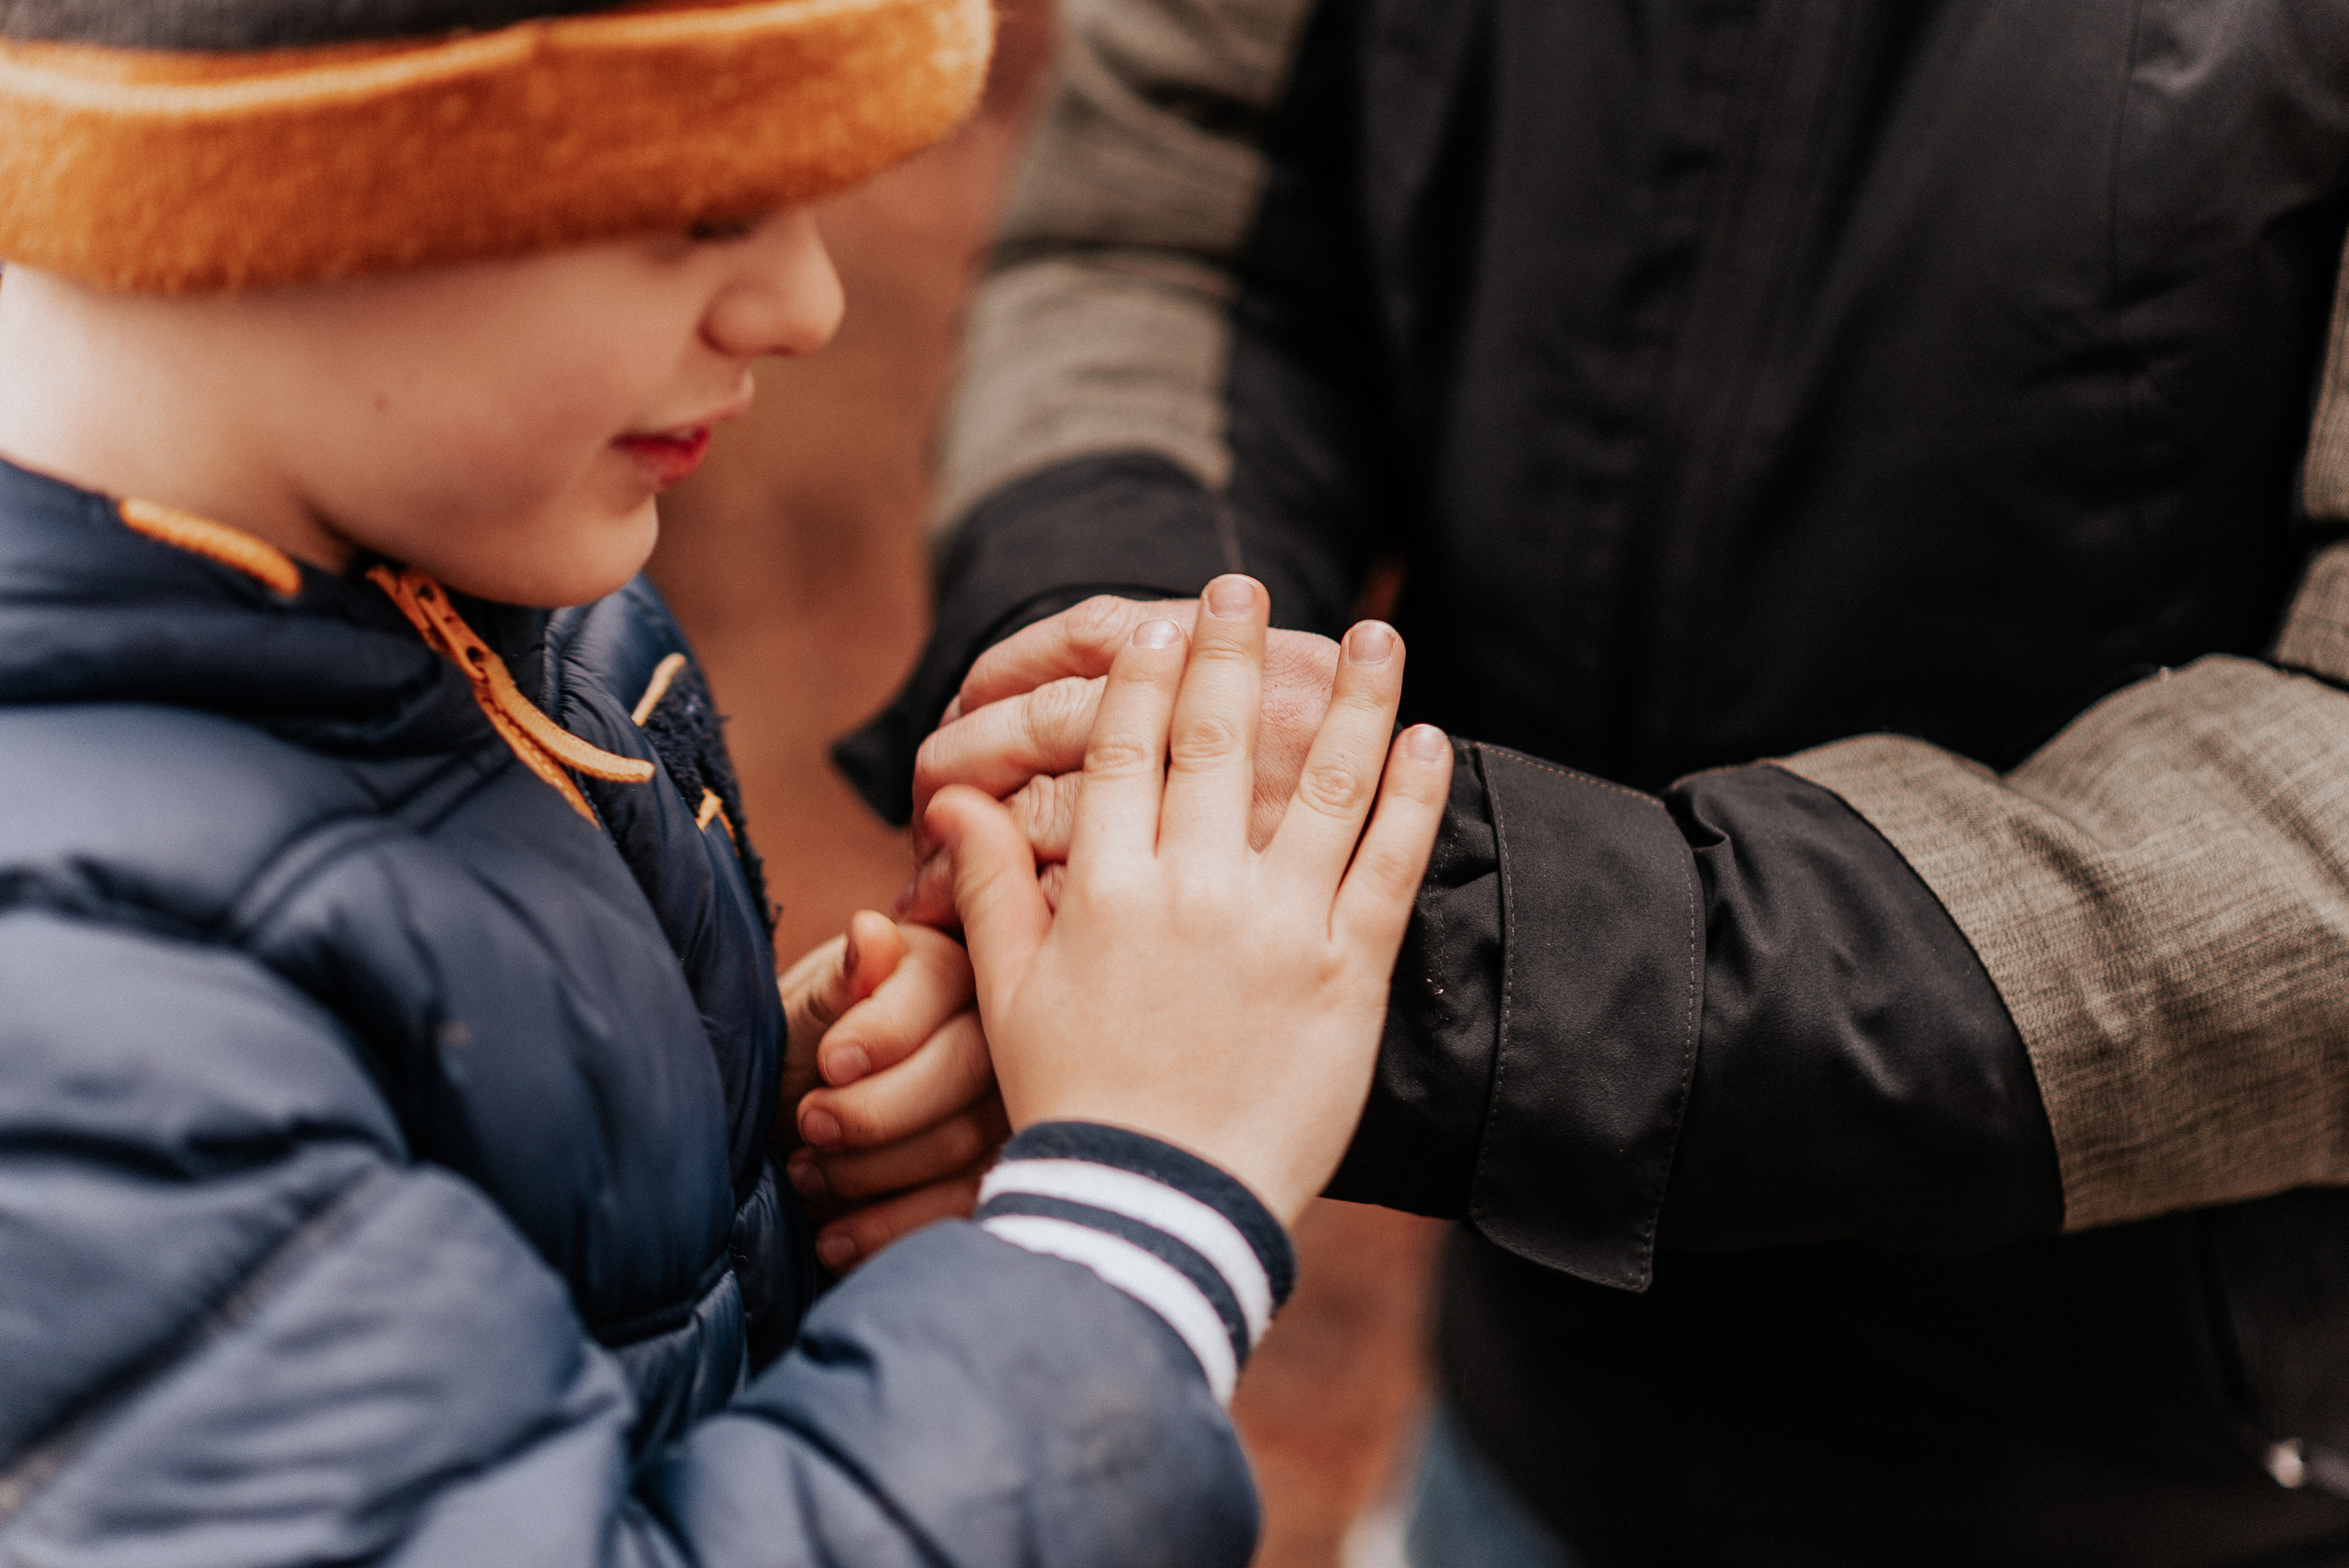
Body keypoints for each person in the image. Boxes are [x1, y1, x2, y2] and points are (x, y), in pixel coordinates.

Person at [839, 1, 2349, 1562]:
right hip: (1517, 1436)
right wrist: (1131, 773)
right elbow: (1174, 212)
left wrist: (1379, 949)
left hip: (2173, 1489)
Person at [0, 3, 1452, 1562]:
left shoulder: (487, 590)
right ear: (298, 194)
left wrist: (760, 1143)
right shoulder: (74, 1001)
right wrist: (1130, 1228)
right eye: (703, 214)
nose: (805, 301)